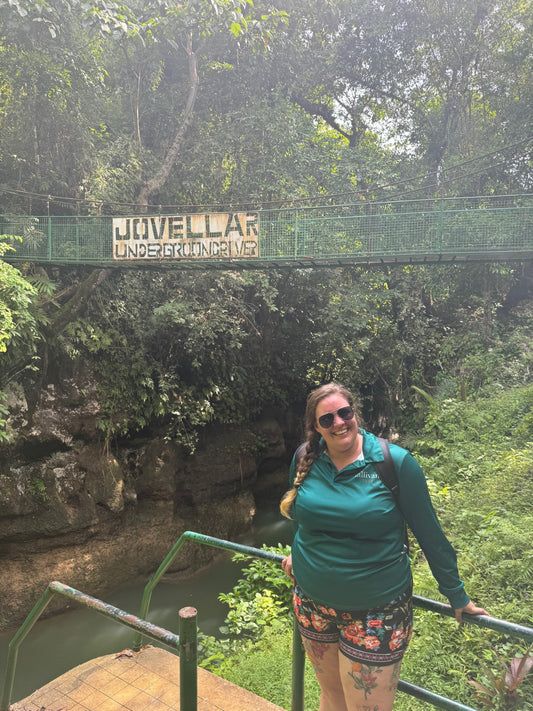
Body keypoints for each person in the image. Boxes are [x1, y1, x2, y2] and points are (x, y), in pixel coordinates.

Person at [280, 382, 488, 711]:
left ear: (355, 413)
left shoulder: (396, 463)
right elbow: (302, 514)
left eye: (344, 413)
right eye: (327, 419)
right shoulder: (305, 458)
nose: (338, 423)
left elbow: (430, 535)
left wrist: (456, 594)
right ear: (316, 428)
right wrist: (296, 550)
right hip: (312, 605)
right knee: (332, 697)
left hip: (377, 614)